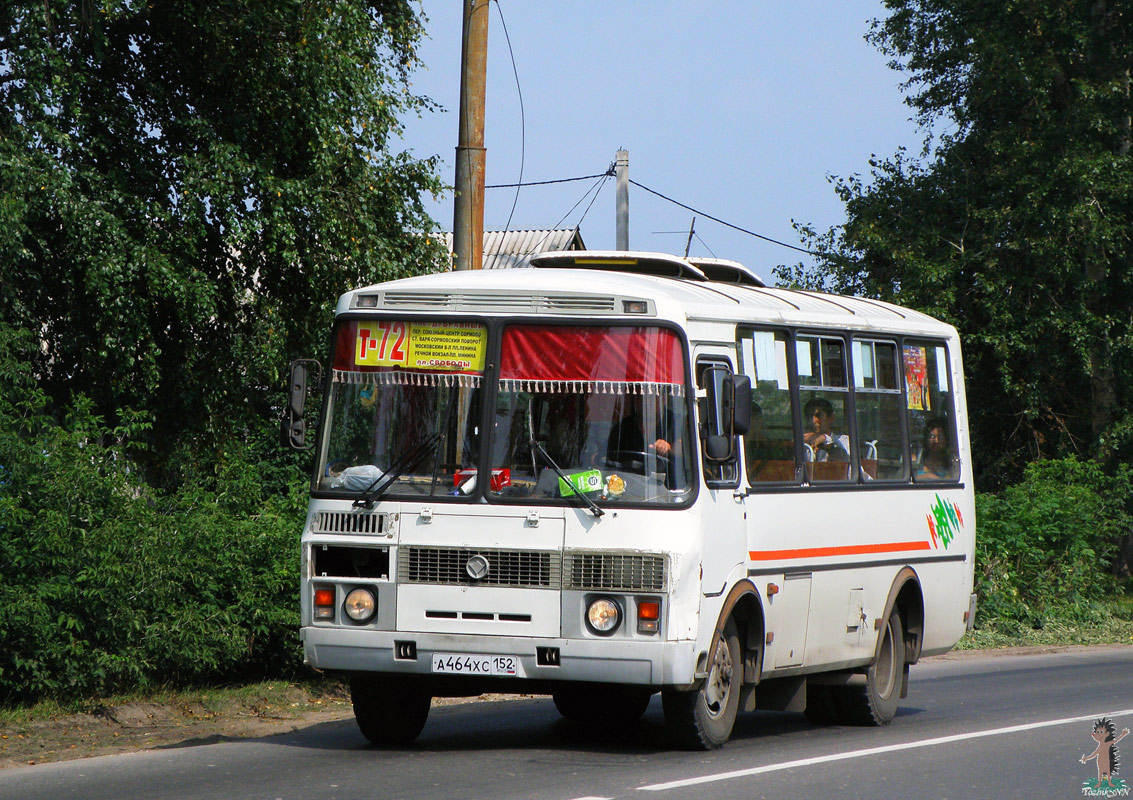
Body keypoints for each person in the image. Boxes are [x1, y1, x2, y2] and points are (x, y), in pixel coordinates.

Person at [606, 393, 672, 463]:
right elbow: (606, 454)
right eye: (640, 397)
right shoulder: (624, 426)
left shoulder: (674, 422)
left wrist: (669, 448)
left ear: (664, 400)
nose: (646, 402)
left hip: (664, 473)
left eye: (651, 397)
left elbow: (682, 447)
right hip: (628, 473)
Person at [802, 397, 849, 462]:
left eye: (818, 415)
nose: (813, 421)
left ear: (831, 418)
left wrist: (826, 439)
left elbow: (846, 462)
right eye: (809, 416)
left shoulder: (844, 441)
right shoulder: (805, 446)